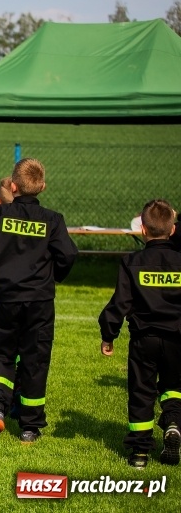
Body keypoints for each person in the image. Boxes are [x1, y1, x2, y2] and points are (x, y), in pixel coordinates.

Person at [0, 158, 77, 444]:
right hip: (39, 301)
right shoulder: (53, 220)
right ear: (42, 186)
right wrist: (54, 276)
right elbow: (67, 255)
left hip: (5, 297)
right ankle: (30, 426)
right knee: (35, 359)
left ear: (13, 186)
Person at [99, 199, 181, 468]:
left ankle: (139, 453)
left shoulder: (132, 262)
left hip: (143, 340)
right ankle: (173, 424)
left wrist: (108, 334)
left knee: (141, 393)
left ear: (143, 230)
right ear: (173, 229)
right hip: (176, 339)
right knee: (174, 388)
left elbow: (120, 303)